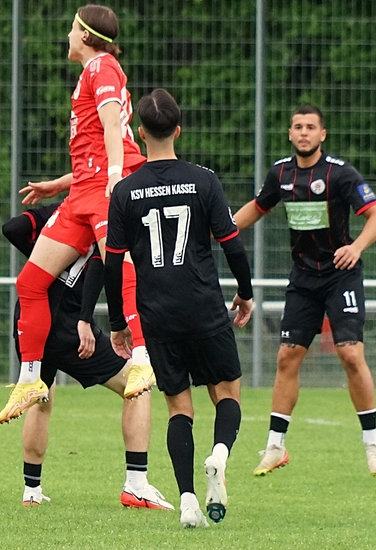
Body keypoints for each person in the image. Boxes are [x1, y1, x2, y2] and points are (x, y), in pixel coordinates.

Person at [104, 89, 254, 529]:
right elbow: (233, 245)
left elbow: (112, 264)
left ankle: (187, 500)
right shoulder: (204, 181)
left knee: (179, 409)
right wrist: (245, 293)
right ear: (178, 130)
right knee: (227, 394)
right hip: (204, 305)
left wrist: (117, 323)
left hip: (157, 313)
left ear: (140, 133)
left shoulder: (125, 191)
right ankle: (220, 454)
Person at [0, 4, 154, 424]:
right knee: (30, 282)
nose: (66, 35)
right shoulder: (92, 71)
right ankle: (30, 379)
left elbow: (111, 127)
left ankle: (142, 358)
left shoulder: (102, 66)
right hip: (83, 191)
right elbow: (97, 145)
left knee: (120, 267)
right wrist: (59, 184)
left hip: (102, 189)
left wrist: (116, 177)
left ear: (85, 35)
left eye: (71, 29)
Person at [233, 104, 376, 477]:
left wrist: (356, 247)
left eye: (310, 127)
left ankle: (372, 443)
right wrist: (220, 228)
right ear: (290, 134)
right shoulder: (280, 174)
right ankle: (275, 447)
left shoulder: (340, 173)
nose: (304, 132)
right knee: (287, 357)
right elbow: (256, 208)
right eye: (298, 127)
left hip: (340, 275)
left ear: (322, 134)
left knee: (350, 354)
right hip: (304, 278)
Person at [1, 203, 172, 510]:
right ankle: (136, 485)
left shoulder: (60, 212)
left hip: (29, 321)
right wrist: (84, 318)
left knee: (41, 398)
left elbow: (12, 228)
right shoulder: (102, 217)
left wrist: (49, 261)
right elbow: (100, 265)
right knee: (137, 384)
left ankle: (31, 492)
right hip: (68, 325)